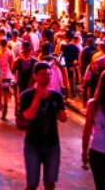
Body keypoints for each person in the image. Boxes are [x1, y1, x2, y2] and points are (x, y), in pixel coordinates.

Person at [21, 61, 68, 190]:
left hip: (52, 145)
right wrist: (38, 96)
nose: (46, 78)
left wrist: (61, 109)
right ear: (35, 76)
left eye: (49, 75)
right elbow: (28, 116)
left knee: (50, 183)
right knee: (32, 184)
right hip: (33, 145)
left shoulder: (56, 96)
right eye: (43, 75)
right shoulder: (26, 96)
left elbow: (63, 118)